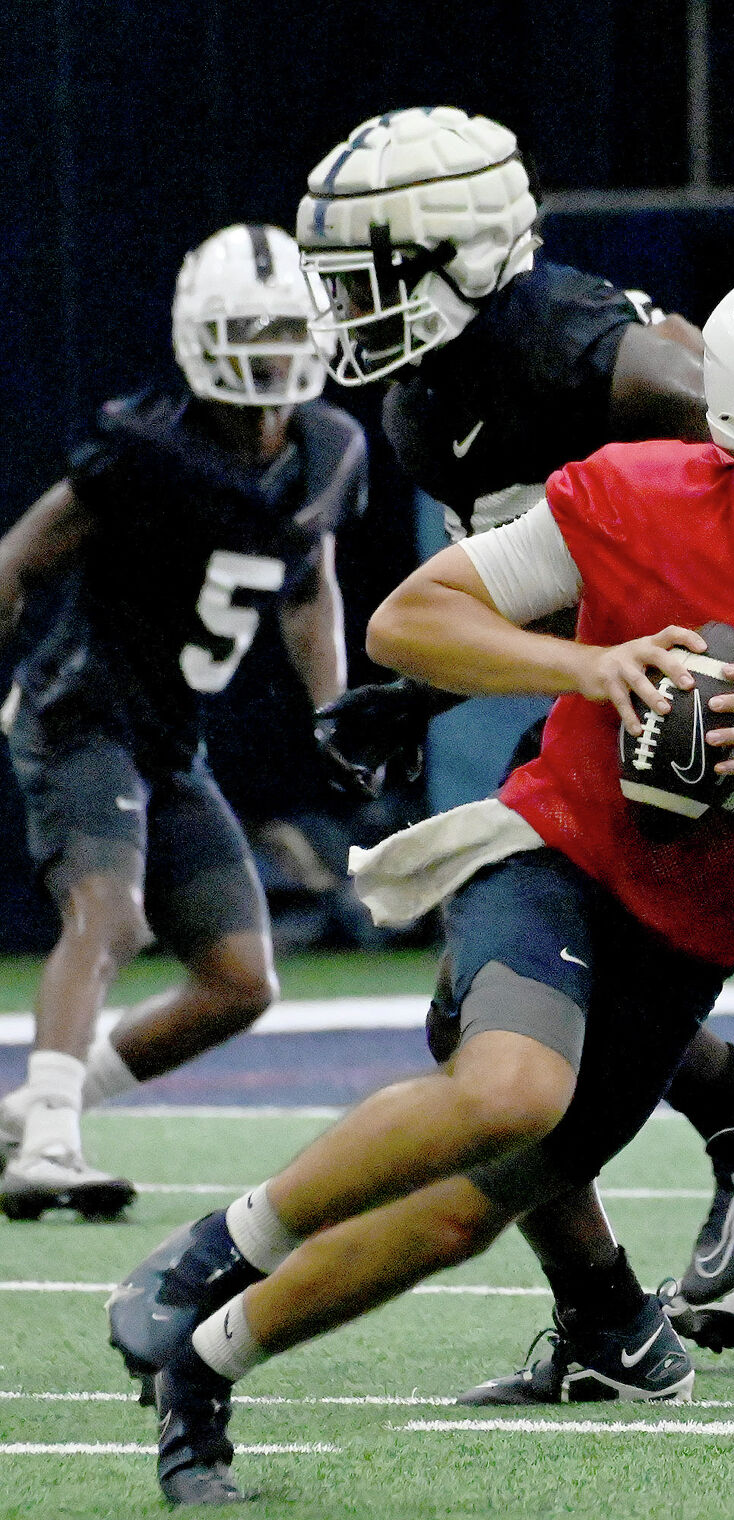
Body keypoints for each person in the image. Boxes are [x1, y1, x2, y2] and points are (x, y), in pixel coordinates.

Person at [108, 259, 734, 1504]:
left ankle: (208, 1366)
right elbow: (405, 624)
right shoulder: (635, 491)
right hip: (555, 855)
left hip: (689, 937)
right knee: (509, 1087)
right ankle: (208, 1252)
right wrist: (584, 669)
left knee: (457, 1217)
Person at [293, 106, 734, 1342]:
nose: (350, 305)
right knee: (495, 1006)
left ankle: (620, 1301)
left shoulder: (583, 350)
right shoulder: (420, 399)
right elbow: (523, 578)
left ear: (467, 253)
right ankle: (721, 1162)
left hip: (718, 687)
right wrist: (427, 689)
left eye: (371, 275)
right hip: (622, 683)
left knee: (501, 1022)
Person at [0, 225, 358, 1218]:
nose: (276, 353)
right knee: (109, 914)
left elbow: (308, 583)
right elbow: (20, 555)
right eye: (251, 331)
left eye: (288, 329)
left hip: (167, 735)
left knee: (240, 980)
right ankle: (50, 1147)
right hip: (81, 709)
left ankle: (28, 1109)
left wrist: (334, 707)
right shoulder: (147, 446)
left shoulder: (330, 446)